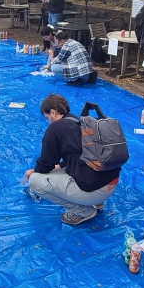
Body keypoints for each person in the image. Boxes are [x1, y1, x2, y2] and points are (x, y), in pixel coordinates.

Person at [22, 94, 120, 225]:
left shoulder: (54, 129)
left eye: (47, 118)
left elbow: (46, 164)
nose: (48, 121)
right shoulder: (80, 121)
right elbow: (77, 156)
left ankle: (83, 211)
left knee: (34, 181)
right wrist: (59, 166)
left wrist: (33, 172)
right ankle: (97, 203)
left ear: (53, 112)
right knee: (64, 169)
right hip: (111, 182)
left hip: (95, 190)